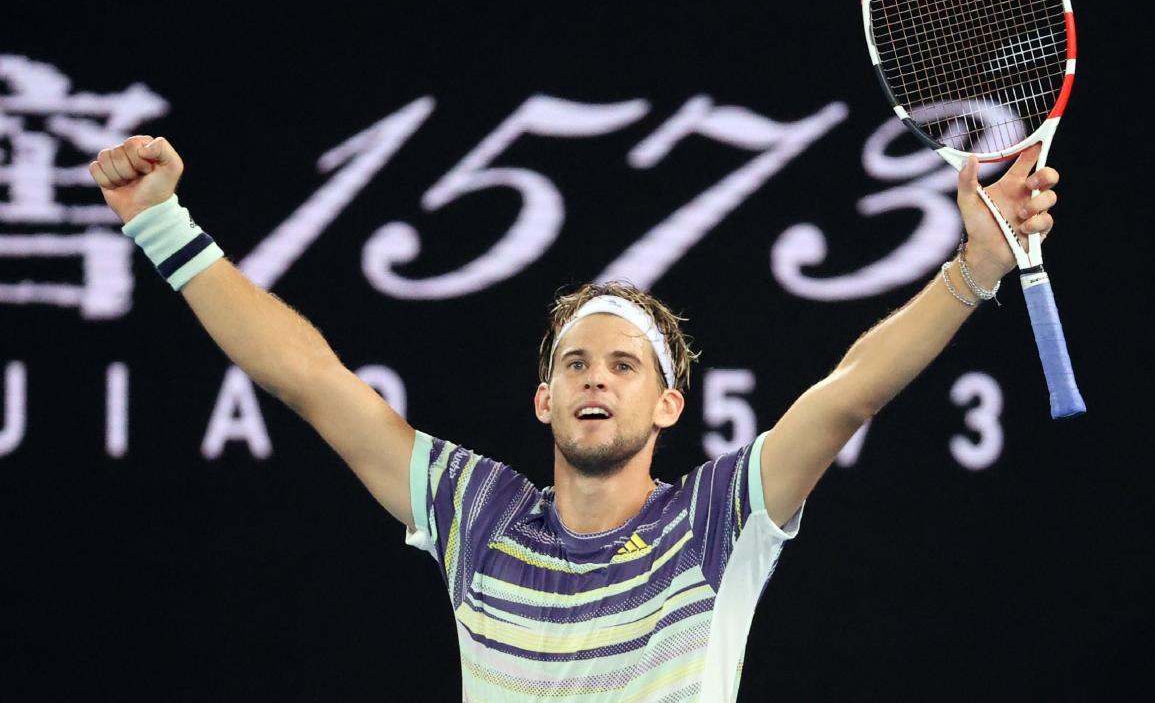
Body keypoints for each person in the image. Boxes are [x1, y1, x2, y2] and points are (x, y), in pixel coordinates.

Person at [89, 135, 1057, 702]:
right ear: (544, 397)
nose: (597, 378)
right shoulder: (476, 508)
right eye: (575, 363)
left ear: (667, 403)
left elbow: (850, 389)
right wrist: (160, 224)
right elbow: (311, 378)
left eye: (623, 364)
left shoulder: (716, 520)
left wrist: (970, 271)